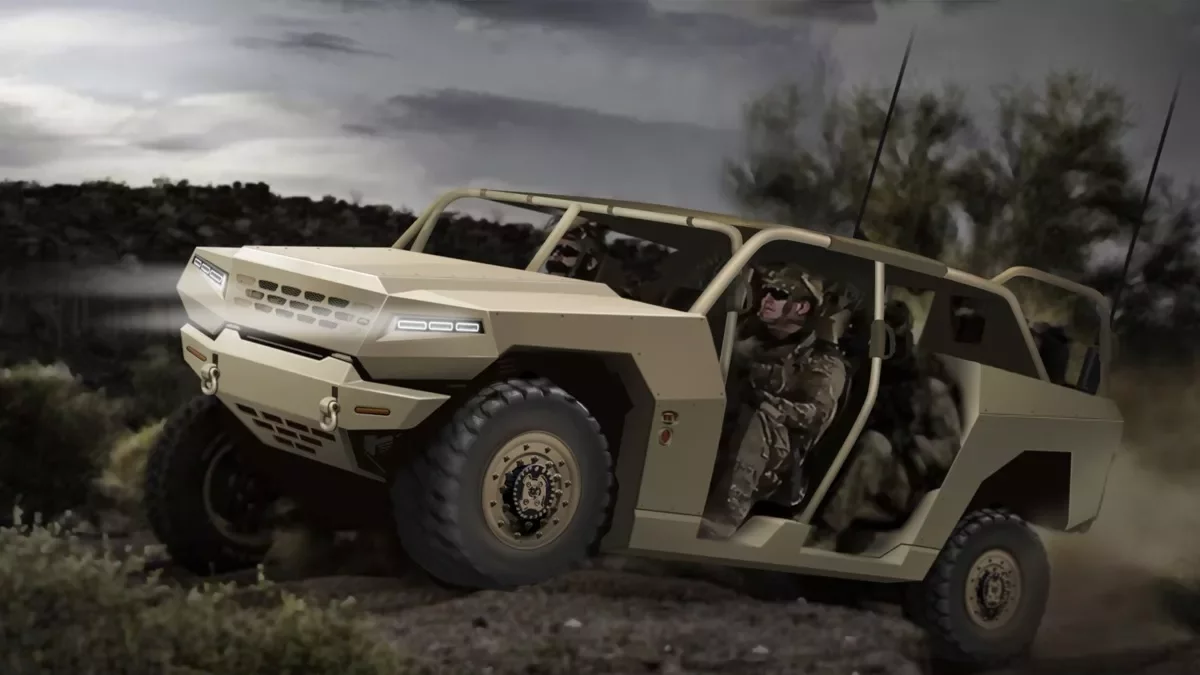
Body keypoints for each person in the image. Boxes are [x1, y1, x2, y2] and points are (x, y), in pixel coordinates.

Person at [699, 263, 850, 540]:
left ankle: (722, 517)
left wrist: (768, 403)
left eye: (779, 294)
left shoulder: (822, 361)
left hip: (778, 447)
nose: (766, 299)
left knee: (756, 416)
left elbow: (817, 415)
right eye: (766, 291)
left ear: (801, 307)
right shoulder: (745, 337)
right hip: (730, 421)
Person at [813, 299, 963, 550]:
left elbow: (950, 450)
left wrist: (912, 443)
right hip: (856, 461)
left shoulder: (929, 388)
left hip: (902, 481)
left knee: (876, 445)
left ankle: (827, 533)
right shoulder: (869, 373)